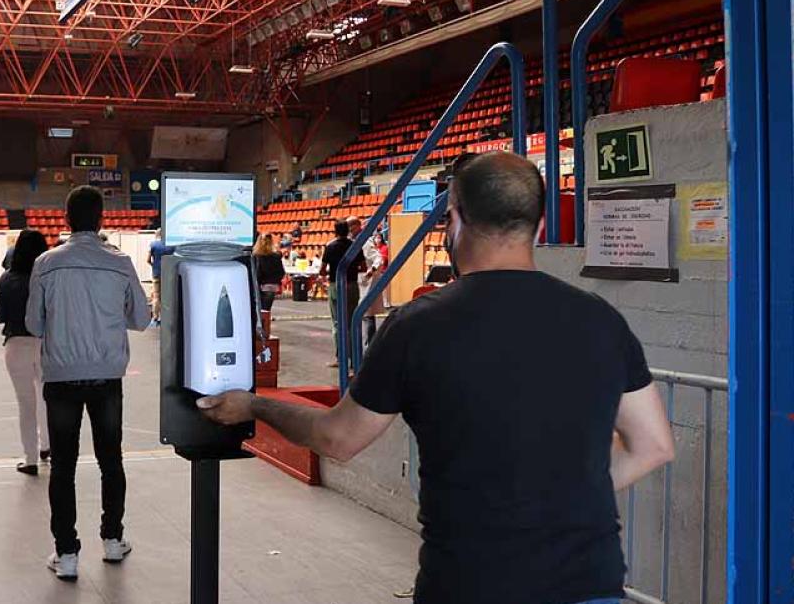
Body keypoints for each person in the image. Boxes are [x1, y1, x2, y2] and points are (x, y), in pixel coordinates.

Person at [198, 151, 676, 604]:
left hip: (471, 582)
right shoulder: (600, 320)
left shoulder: (418, 325)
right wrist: (562, 496)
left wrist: (254, 405)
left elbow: (338, 439)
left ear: (456, 218)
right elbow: (653, 445)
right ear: (540, 225)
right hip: (588, 582)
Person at [26, 185, 151, 580]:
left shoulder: (46, 263)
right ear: (101, 221)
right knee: (110, 461)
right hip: (106, 377)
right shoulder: (120, 262)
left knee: (62, 467)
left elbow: (33, 323)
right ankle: (113, 541)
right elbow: (142, 319)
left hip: (61, 377)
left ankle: (66, 555)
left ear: (65, 220)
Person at [0, 230, 52, 476]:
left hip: (16, 344)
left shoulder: (7, 278)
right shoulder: (48, 278)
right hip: (46, 344)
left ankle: (29, 459)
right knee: (47, 399)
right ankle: (49, 448)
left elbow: (0, 316)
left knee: (25, 404)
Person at [321, 219, 364, 367]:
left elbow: (322, 269)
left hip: (336, 285)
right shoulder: (355, 246)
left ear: (335, 231)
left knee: (338, 323)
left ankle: (341, 357)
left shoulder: (330, 247)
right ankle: (355, 358)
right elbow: (363, 267)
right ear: (348, 230)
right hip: (352, 285)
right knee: (352, 321)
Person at [253, 232, 285, 313]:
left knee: (257, 311)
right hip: (272, 285)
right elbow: (281, 272)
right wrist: (276, 281)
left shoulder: (256, 257)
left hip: (260, 285)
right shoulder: (276, 256)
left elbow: (257, 273)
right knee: (266, 310)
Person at [147, 229, 173, 325]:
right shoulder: (171, 246)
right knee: (167, 296)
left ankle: (155, 318)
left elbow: (147, 259)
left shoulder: (153, 245)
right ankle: (166, 318)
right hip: (168, 273)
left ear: (157, 235)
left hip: (156, 273)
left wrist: (153, 265)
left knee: (156, 296)